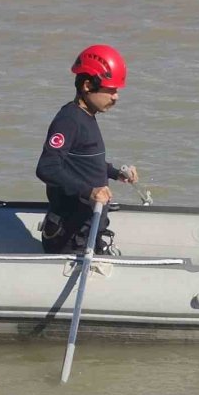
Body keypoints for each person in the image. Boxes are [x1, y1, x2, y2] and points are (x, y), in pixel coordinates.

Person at [36, 44, 139, 255]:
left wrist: (116, 172)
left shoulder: (87, 116)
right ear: (87, 85)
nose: (116, 97)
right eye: (110, 90)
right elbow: (47, 167)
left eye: (116, 91)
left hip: (88, 228)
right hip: (70, 237)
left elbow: (83, 161)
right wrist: (90, 191)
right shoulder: (68, 120)